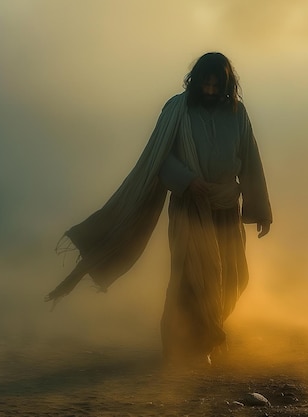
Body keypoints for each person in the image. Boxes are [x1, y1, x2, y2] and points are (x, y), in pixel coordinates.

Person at [46, 52, 272, 365]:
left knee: (233, 276)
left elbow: (250, 160)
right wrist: (189, 180)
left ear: (225, 83)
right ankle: (186, 348)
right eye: (204, 82)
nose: (209, 88)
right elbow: (159, 157)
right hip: (189, 206)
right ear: (195, 81)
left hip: (225, 206)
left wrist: (260, 210)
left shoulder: (237, 113)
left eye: (215, 83)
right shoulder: (176, 109)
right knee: (190, 278)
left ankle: (208, 333)